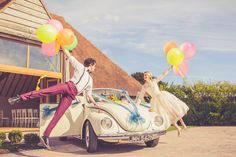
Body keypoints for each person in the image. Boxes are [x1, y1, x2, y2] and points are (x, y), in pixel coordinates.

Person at [8, 49, 99, 148]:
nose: (95, 68)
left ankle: (46, 136)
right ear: (90, 65)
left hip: (71, 96)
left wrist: (95, 103)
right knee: (44, 91)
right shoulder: (80, 66)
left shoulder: (90, 80)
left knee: (58, 115)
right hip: (67, 86)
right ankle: (20, 97)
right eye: (94, 66)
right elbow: (69, 55)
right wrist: (62, 45)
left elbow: (89, 94)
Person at [136, 67, 189, 136]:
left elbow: (163, 75)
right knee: (165, 115)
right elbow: (140, 96)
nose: (144, 76)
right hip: (155, 101)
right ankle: (178, 128)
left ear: (150, 76)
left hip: (161, 97)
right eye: (144, 75)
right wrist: (136, 105)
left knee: (173, 110)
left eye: (146, 75)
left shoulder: (154, 81)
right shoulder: (144, 86)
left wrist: (170, 68)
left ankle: (183, 124)